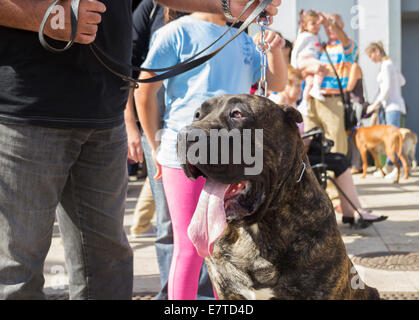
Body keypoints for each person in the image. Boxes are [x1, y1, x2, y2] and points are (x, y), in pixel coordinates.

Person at [0, 0, 282, 300]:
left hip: (104, 116)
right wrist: (47, 15)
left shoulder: (237, 39)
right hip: (28, 113)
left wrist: (227, 4)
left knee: (108, 263)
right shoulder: (176, 33)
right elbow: (146, 89)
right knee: (18, 267)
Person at [135, 11, 286, 299]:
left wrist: (275, 50)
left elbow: (276, 84)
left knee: (226, 249)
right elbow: (144, 92)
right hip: (188, 150)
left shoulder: (243, 39)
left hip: (235, 152)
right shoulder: (175, 32)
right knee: (190, 248)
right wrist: (156, 147)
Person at [125, 1, 214, 300]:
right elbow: (131, 71)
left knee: (215, 225)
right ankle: (173, 295)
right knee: (170, 223)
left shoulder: (223, 13)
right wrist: (130, 126)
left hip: (214, 138)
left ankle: (203, 295)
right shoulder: (151, 9)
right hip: (162, 128)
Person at [269, 66, 387, 226]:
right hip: (290, 159)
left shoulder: (292, 103)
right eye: (297, 85)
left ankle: (352, 212)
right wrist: (305, 141)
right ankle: (355, 212)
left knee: (340, 160)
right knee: (340, 161)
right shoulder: (278, 105)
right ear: (286, 85)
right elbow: (279, 140)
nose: (300, 89)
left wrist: (308, 140)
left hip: (302, 153)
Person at [303, 13, 358, 155]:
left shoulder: (347, 45)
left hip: (332, 101)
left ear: (342, 26)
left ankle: (337, 176)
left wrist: (331, 22)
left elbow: (345, 40)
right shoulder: (320, 46)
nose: (329, 28)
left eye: (333, 24)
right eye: (326, 25)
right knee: (309, 142)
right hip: (311, 101)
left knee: (335, 143)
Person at [365, 41, 407, 181]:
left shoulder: (387, 65)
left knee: (393, 141)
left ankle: (397, 169)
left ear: (377, 51)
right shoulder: (389, 64)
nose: (371, 59)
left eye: (370, 55)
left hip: (392, 107)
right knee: (388, 141)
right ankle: (388, 167)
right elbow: (402, 81)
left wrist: (374, 104)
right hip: (389, 106)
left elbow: (387, 88)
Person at [291, 10, 328, 104]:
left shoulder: (317, 36)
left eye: (317, 23)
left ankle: (304, 103)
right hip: (304, 60)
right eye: (313, 23)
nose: (316, 26)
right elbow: (295, 51)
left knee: (310, 82)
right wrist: (293, 66)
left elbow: (316, 48)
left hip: (311, 61)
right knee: (322, 67)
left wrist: (322, 46)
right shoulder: (304, 36)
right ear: (305, 25)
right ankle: (316, 89)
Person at [346, 56, 366, 174]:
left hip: (356, 106)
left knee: (355, 136)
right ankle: (354, 163)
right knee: (351, 136)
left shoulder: (354, 67)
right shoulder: (351, 67)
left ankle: (356, 165)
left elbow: (349, 86)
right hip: (352, 106)